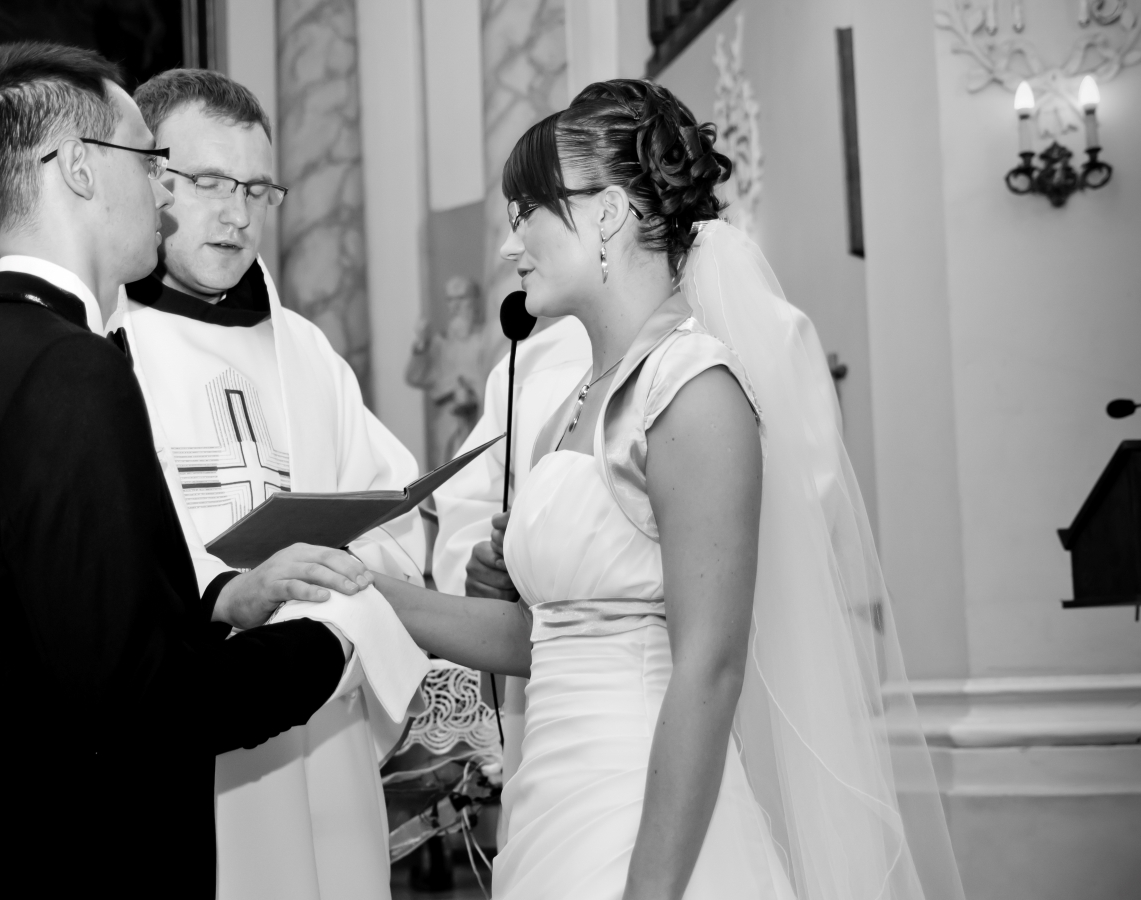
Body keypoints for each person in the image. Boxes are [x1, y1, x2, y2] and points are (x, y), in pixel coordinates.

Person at [378, 79, 965, 900]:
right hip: (552, 807)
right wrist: (365, 592)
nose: (511, 246)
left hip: (646, 816)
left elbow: (710, 668)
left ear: (608, 214)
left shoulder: (693, 390)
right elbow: (546, 638)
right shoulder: (576, 400)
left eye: (528, 212)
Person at [0, 44, 371, 899]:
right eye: (148, 160)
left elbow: (59, 632)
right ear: (80, 168)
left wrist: (218, 604)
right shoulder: (74, 369)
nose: (161, 190)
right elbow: (146, 709)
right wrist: (334, 640)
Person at [108, 68, 429, 900]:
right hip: (185, 736)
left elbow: (397, 525)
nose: (239, 214)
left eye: (257, 189)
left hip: (322, 731)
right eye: (211, 183)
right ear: (148, 178)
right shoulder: (102, 351)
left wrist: (333, 586)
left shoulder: (308, 353)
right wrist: (225, 595)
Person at [429, 311, 589, 837]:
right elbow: (472, 507)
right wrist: (481, 569)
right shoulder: (528, 364)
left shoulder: (739, 340)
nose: (516, 266)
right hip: (543, 703)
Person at [405, 276, 497, 466]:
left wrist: (471, 392)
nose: (455, 306)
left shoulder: (487, 340)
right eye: (450, 299)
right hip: (448, 425)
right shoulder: (440, 343)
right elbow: (415, 377)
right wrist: (421, 344)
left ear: (475, 301)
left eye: (461, 298)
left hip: (480, 421)